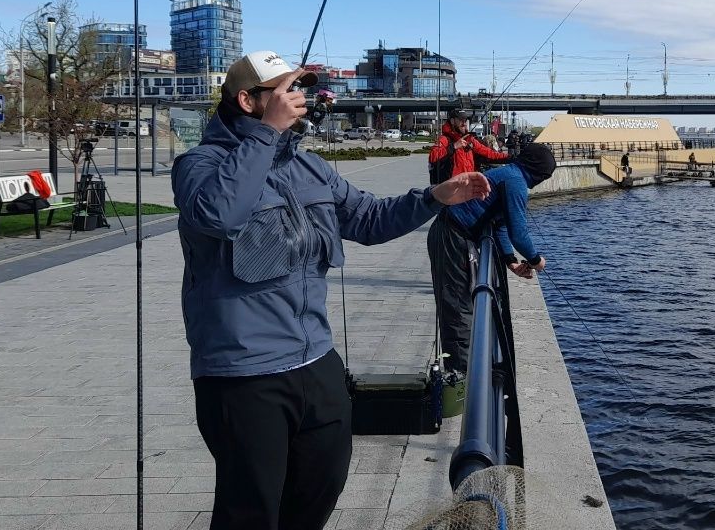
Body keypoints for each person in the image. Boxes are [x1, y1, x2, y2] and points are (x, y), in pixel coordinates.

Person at [172, 51, 490, 530]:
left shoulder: (310, 168)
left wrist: (434, 197)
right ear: (247, 100)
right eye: (284, 91)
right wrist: (267, 134)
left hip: (316, 361)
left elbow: (368, 218)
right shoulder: (200, 166)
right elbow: (219, 214)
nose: (297, 99)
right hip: (242, 373)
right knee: (250, 509)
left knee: (321, 484)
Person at [428, 142, 556, 375]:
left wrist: (511, 261)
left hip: (454, 234)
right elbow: (519, 233)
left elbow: (500, 226)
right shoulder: (516, 182)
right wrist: (536, 260)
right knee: (458, 309)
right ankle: (462, 379)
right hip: (452, 236)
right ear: (539, 173)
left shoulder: (511, 174)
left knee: (463, 304)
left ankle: (466, 371)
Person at [428, 108, 510, 182]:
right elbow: (433, 157)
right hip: (452, 189)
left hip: (468, 186)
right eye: (461, 120)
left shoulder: (470, 140)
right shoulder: (445, 139)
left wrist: (509, 157)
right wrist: (454, 146)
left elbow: (488, 153)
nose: (464, 123)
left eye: (465, 120)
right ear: (452, 121)